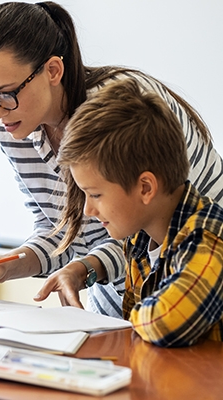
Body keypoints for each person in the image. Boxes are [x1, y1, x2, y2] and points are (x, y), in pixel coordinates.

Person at [0, 2, 223, 318]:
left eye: (5, 94)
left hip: (192, 283)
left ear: (53, 70)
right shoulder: (14, 123)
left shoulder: (122, 110)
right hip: (122, 296)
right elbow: (60, 229)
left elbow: (152, 225)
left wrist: (86, 267)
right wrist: (4, 266)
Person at [50, 78, 223, 347]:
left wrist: (120, 323)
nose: (88, 209)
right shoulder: (140, 240)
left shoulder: (208, 241)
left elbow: (164, 322)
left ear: (145, 188)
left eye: (95, 194)